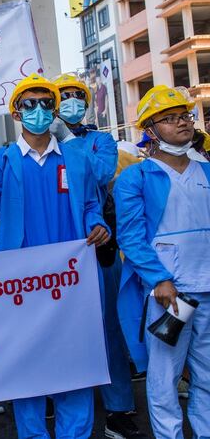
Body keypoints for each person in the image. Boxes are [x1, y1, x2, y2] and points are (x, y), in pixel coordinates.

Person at [0, 73, 111, 439]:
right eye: (29, 104)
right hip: (22, 286)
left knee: (76, 364)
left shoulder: (76, 157)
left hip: (72, 283)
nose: (39, 111)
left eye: (46, 103)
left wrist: (97, 225)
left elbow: (93, 203)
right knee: (27, 368)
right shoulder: (2, 160)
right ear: (17, 113)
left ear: (55, 110)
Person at [52, 73, 146, 438]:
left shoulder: (101, 141)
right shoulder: (38, 145)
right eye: (64, 95)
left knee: (107, 327)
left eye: (78, 95)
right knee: (58, 327)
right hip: (57, 250)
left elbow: (97, 176)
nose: (72, 101)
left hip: (98, 244)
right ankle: (60, 398)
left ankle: (119, 408)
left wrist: (68, 140)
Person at [114, 85, 210, 439]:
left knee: (208, 375)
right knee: (164, 377)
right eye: (169, 119)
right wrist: (159, 279)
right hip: (171, 295)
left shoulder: (207, 171)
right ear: (150, 131)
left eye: (184, 115)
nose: (182, 123)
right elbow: (131, 237)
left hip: (208, 286)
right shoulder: (134, 177)